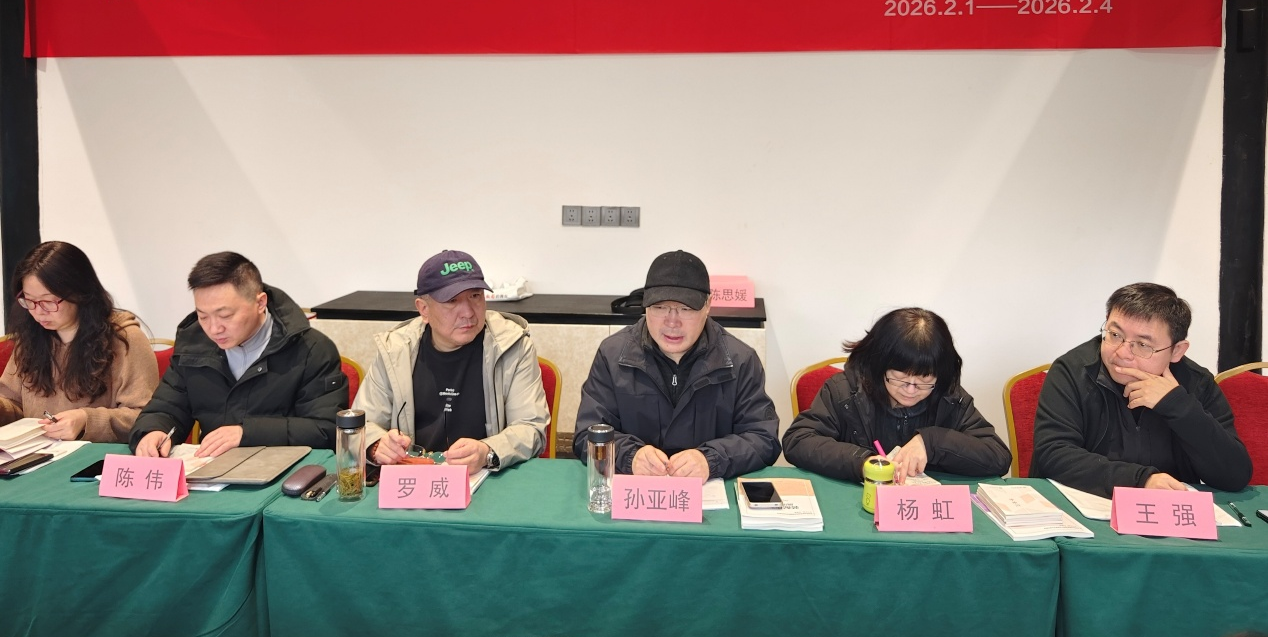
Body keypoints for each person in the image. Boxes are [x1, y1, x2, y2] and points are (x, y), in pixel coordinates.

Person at [573, 250, 779, 480]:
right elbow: (586, 435)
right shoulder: (612, 355)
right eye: (660, 308)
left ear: (708, 305)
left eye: (685, 309)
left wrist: (711, 460)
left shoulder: (739, 361)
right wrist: (629, 456)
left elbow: (764, 438)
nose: (672, 322)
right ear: (645, 305)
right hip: (637, 493)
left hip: (708, 493)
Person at [1032, 282, 1252, 497]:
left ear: (1177, 350)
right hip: (1083, 506)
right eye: (1115, 335)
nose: (1122, 353)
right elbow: (1053, 454)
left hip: (1169, 513)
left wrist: (1177, 405)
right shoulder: (1072, 371)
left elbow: (1234, 475)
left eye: (1143, 345)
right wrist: (1140, 481)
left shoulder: (1197, 383)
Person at [130, 252, 346, 457]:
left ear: (260, 303)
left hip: (287, 472)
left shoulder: (310, 349)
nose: (214, 329)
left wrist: (247, 433)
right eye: (203, 316)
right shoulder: (193, 344)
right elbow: (167, 407)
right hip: (212, 469)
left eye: (225, 315)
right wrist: (154, 430)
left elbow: (326, 429)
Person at [355, 250, 548, 475]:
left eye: (475, 296)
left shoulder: (512, 345)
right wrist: (377, 444)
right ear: (424, 309)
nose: (468, 312)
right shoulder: (395, 350)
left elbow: (531, 427)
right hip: (413, 477)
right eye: (452, 301)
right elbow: (360, 424)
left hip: (485, 477)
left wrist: (488, 451)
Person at [782, 307, 1011, 484]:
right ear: (879, 364)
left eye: (924, 380)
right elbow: (798, 441)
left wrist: (931, 442)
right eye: (900, 378)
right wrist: (862, 462)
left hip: (925, 514)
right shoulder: (845, 391)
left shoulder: (949, 397)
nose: (911, 390)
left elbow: (998, 457)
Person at [0, 241, 159, 442]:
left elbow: (146, 416)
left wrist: (86, 420)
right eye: (29, 301)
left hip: (96, 456)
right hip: (39, 453)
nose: (38, 312)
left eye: (48, 301)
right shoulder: (32, 335)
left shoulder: (124, 338)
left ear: (80, 292)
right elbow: (13, 404)